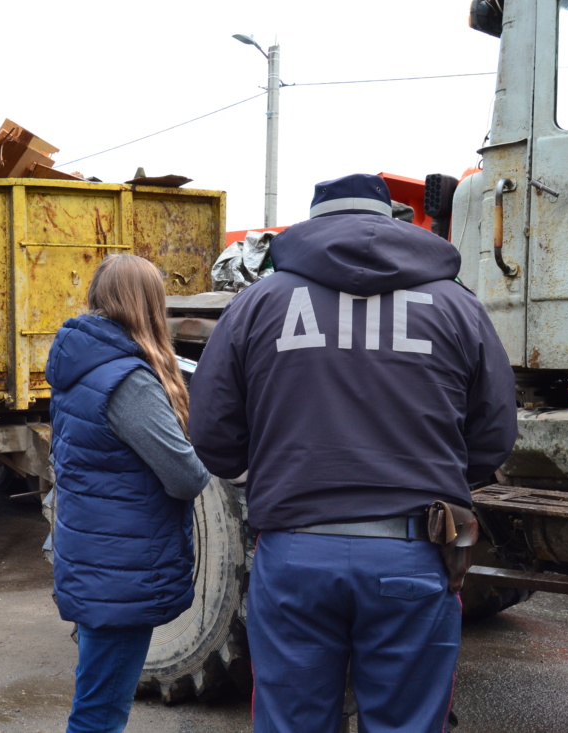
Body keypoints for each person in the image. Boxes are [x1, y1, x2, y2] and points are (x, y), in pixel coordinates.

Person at [187, 173, 517, 732]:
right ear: (389, 217)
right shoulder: (456, 305)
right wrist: (433, 475)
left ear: (313, 224)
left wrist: (275, 464)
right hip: (413, 554)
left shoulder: (258, 303)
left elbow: (214, 436)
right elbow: (493, 436)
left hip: (295, 556)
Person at [45, 254, 211, 733]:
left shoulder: (82, 363)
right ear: (146, 305)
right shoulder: (129, 381)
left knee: (96, 699)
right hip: (121, 571)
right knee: (100, 715)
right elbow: (185, 476)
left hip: (97, 557)